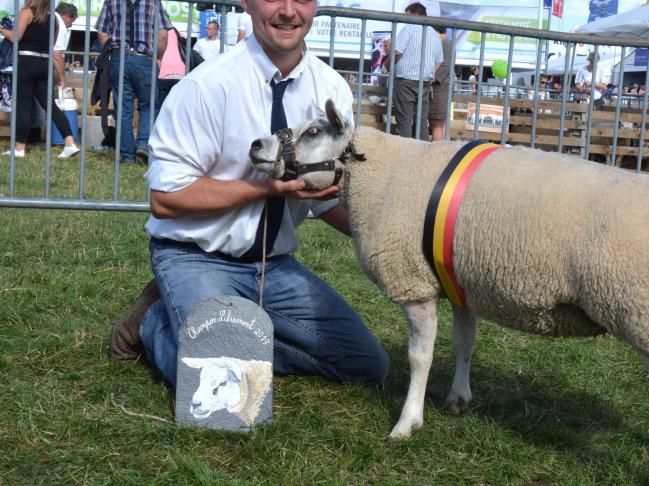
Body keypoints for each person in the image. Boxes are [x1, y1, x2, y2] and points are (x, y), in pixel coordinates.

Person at [108, 0, 389, 389]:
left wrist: (392, 237)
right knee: (226, 394)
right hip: (196, 256)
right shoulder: (207, 85)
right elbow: (166, 198)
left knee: (367, 367)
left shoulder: (331, 89)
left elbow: (324, 196)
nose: (288, 11)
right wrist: (264, 188)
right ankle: (153, 321)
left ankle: (238, 341)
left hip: (272, 265)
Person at [0, 0, 79, 158]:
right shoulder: (54, 19)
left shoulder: (27, 12)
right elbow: (53, 46)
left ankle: (19, 148)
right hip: (44, 64)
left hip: (26, 62)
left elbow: (15, 37)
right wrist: (60, 76)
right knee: (51, 106)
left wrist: (1, 28)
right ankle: (70, 143)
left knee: (23, 107)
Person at [96, 0, 172, 164]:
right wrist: (158, 57)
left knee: (123, 109)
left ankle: (127, 155)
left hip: (119, 58)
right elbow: (162, 34)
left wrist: (111, 52)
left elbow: (102, 32)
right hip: (145, 59)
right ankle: (143, 144)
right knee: (149, 105)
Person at [389, 2, 443, 140]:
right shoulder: (434, 33)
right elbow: (440, 61)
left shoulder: (409, 29)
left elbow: (397, 53)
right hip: (424, 82)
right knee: (421, 120)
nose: (405, 19)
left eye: (407, 16)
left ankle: (405, 150)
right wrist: (429, 73)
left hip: (406, 79)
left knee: (404, 119)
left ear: (415, 14)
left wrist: (386, 65)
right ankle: (423, 149)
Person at [429, 25, 451, 142]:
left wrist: (432, 78)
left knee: (436, 124)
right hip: (441, 87)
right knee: (438, 125)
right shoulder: (447, 42)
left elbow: (446, 65)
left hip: (439, 88)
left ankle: (437, 151)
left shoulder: (443, 42)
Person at [52, 2, 77, 90]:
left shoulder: (47, 17)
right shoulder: (60, 24)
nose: (71, 25)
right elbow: (57, 55)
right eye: (72, 21)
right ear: (66, 16)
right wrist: (62, 79)